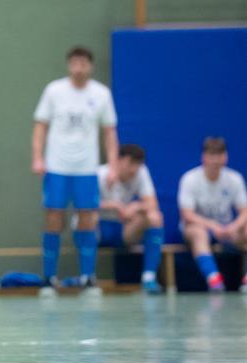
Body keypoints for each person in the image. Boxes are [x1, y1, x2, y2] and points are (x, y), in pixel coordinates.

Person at [32, 46, 118, 296]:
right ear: (69, 65)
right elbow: (40, 126)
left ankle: (87, 277)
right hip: (57, 166)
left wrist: (112, 165)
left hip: (86, 168)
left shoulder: (101, 94)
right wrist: (37, 157)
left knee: (88, 218)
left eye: (83, 63)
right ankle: (49, 277)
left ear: (90, 66)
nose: (79, 68)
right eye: (74, 63)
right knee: (53, 217)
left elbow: (110, 131)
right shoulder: (54, 91)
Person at [177, 137, 247, 292]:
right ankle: (214, 279)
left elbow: (244, 212)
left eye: (220, 155)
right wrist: (213, 226)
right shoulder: (190, 179)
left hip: (228, 230)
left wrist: (233, 227)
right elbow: (187, 215)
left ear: (226, 157)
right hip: (200, 229)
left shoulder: (235, 179)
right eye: (211, 155)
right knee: (196, 231)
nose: (215, 160)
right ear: (204, 157)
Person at [97, 144, 164, 293]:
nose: (134, 169)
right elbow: (84, 205)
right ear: (118, 161)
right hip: (99, 229)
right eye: (130, 163)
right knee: (87, 219)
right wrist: (113, 205)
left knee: (155, 217)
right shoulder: (100, 174)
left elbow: (152, 204)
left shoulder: (141, 173)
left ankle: (149, 278)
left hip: (122, 229)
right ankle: (86, 277)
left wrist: (135, 206)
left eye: (138, 164)